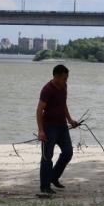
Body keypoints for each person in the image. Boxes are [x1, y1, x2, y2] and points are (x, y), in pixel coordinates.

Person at [36, 64, 79, 195]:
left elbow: (63, 104)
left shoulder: (64, 87)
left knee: (68, 152)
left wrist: (70, 120)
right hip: (49, 127)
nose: (66, 81)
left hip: (62, 126)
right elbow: (39, 110)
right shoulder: (47, 90)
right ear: (56, 77)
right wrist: (41, 131)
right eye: (64, 78)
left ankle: (53, 177)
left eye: (67, 78)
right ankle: (45, 186)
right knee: (47, 157)